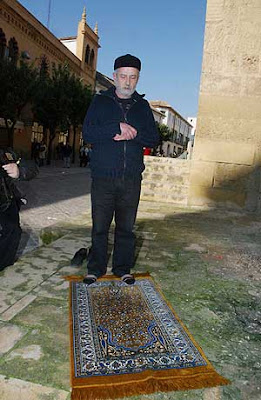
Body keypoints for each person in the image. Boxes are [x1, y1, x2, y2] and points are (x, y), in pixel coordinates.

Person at [82, 54, 159, 285]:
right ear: (115, 76)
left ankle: (122, 268)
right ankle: (95, 268)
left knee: (126, 228)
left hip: (130, 179)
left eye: (132, 77)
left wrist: (131, 132)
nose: (127, 82)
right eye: (123, 76)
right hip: (103, 177)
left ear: (138, 79)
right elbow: (88, 133)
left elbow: (153, 138)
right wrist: (115, 128)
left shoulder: (142, 106)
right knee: (100, 227)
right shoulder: (100, 101)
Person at [0, 147, 38, 271]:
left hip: (5, 202)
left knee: (13, 231)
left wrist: (19, 171)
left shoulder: (5, 154)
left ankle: (4, 268)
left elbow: (32, 167)